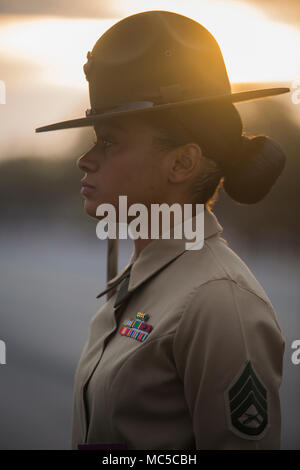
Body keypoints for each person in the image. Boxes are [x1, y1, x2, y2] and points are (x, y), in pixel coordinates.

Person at [35, 10, 288, 450]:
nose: (86, 159)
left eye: (109, 140)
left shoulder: (220, 301)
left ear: (182, 163)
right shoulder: (145, 279)